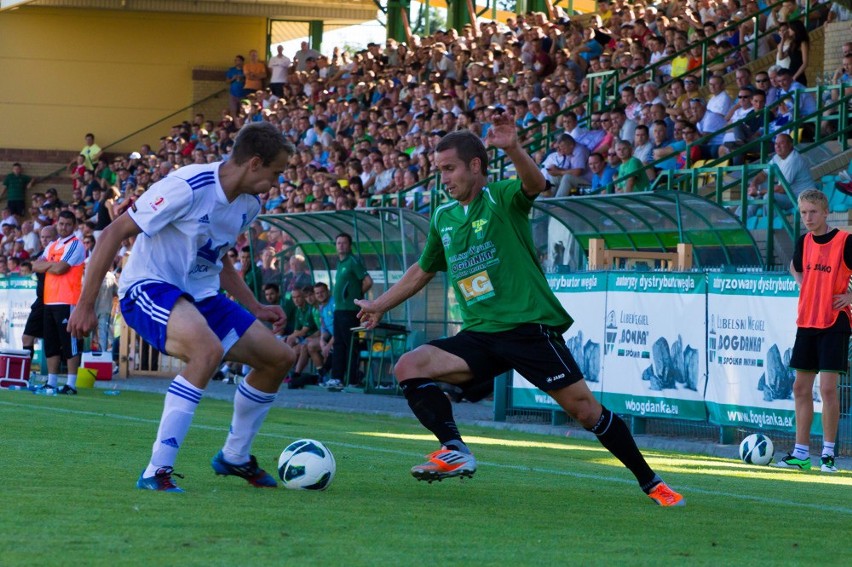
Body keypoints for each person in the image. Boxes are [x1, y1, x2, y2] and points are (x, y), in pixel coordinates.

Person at [354, 116, 685, 506]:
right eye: (439, 170)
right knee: (408, 365)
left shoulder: (499, 198)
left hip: (528, 328)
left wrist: (512, 148)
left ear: (475, 166)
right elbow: (423, 270)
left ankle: (652, 483)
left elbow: (534, 185)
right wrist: (378, 304)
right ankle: (455, 449)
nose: (443, 178)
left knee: (585, 412)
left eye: (449, 169)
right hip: (479, 333)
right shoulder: (443, 217)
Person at [67, 122, 297, 492]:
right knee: (206, 351)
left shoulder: (249, 205)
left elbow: (216, 258)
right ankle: (156, 471)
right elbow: (113, 232)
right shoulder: (188, 186)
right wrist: (85, 304)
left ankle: (234, 456)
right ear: (255, 163)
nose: (278, 182)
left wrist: (253, 305)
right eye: (277, 172)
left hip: (202, 297)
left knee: (278, 358)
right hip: (149, 287)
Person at [777, 189, 852, 474]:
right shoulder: (803, 241)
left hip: (834, 322)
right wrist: (803, 283)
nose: (807, 217)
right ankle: (800, 453)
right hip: (807, 321)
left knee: (828, 389)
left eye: (812, 212)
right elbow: (793, 267)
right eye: (803, 212)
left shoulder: (845, 241)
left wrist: (851, 297)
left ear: (825, 212)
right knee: (800, 388)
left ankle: (829, 455)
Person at [32, 211, 85, 394]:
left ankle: (71, 384)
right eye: (61, 224)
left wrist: (48, 265)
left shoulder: (75, 245)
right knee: (51, 343)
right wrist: (51, 266)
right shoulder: (53, 245)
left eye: (68, 224)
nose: (64, 227)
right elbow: (35, 265)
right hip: (49, 300)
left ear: (74, 225)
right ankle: (52, 382)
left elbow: (62, 268)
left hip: (67, 300)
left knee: (69, 342)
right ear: (57, 224)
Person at [328, 232, 372, 390]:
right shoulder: (340, 263)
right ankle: (337, 378)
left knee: (351, 345)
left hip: (349, 311)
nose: (341, 245)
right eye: (338, 243)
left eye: (344, 243)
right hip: (339, 310)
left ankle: (352, 379)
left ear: (349, 245)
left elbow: (367, 281)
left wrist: (357, 296)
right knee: (339, 344)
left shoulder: (353, 261)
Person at [20, 225, 57, 364]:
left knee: (54, 340)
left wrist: (44, 265)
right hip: (41, 300)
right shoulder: (40, 256)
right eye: (42, 237)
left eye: (48, 237)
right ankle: (25, 374)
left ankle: (56, 378)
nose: (45, 240)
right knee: (27, 337)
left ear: (56, 238)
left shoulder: (60, 253)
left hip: (57, 300)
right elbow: (35, 266)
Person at [226, 55, 247, 119]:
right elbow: (227, 81)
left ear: (242, 61)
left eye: (238, 60)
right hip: (233, 94)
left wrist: (243, 79)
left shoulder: (246, 69)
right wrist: (233, 78)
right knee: (233, 111)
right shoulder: (231, 70)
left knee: (243, 111)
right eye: (235, 60)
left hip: (243, 94)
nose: (236, 62)